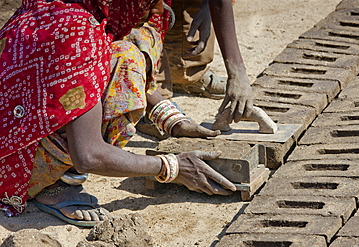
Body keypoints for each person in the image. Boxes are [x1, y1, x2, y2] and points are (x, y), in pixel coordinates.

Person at [0, 0, 251, 227]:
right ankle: (54, 186)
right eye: (152, 4)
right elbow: (88, 155)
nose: (156, 10)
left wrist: (173, 120)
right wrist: (172, 167)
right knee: (131, 53)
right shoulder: (78, 36)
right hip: (11, 166)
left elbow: (96, 77)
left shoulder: (75, 9)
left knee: (126, 51)